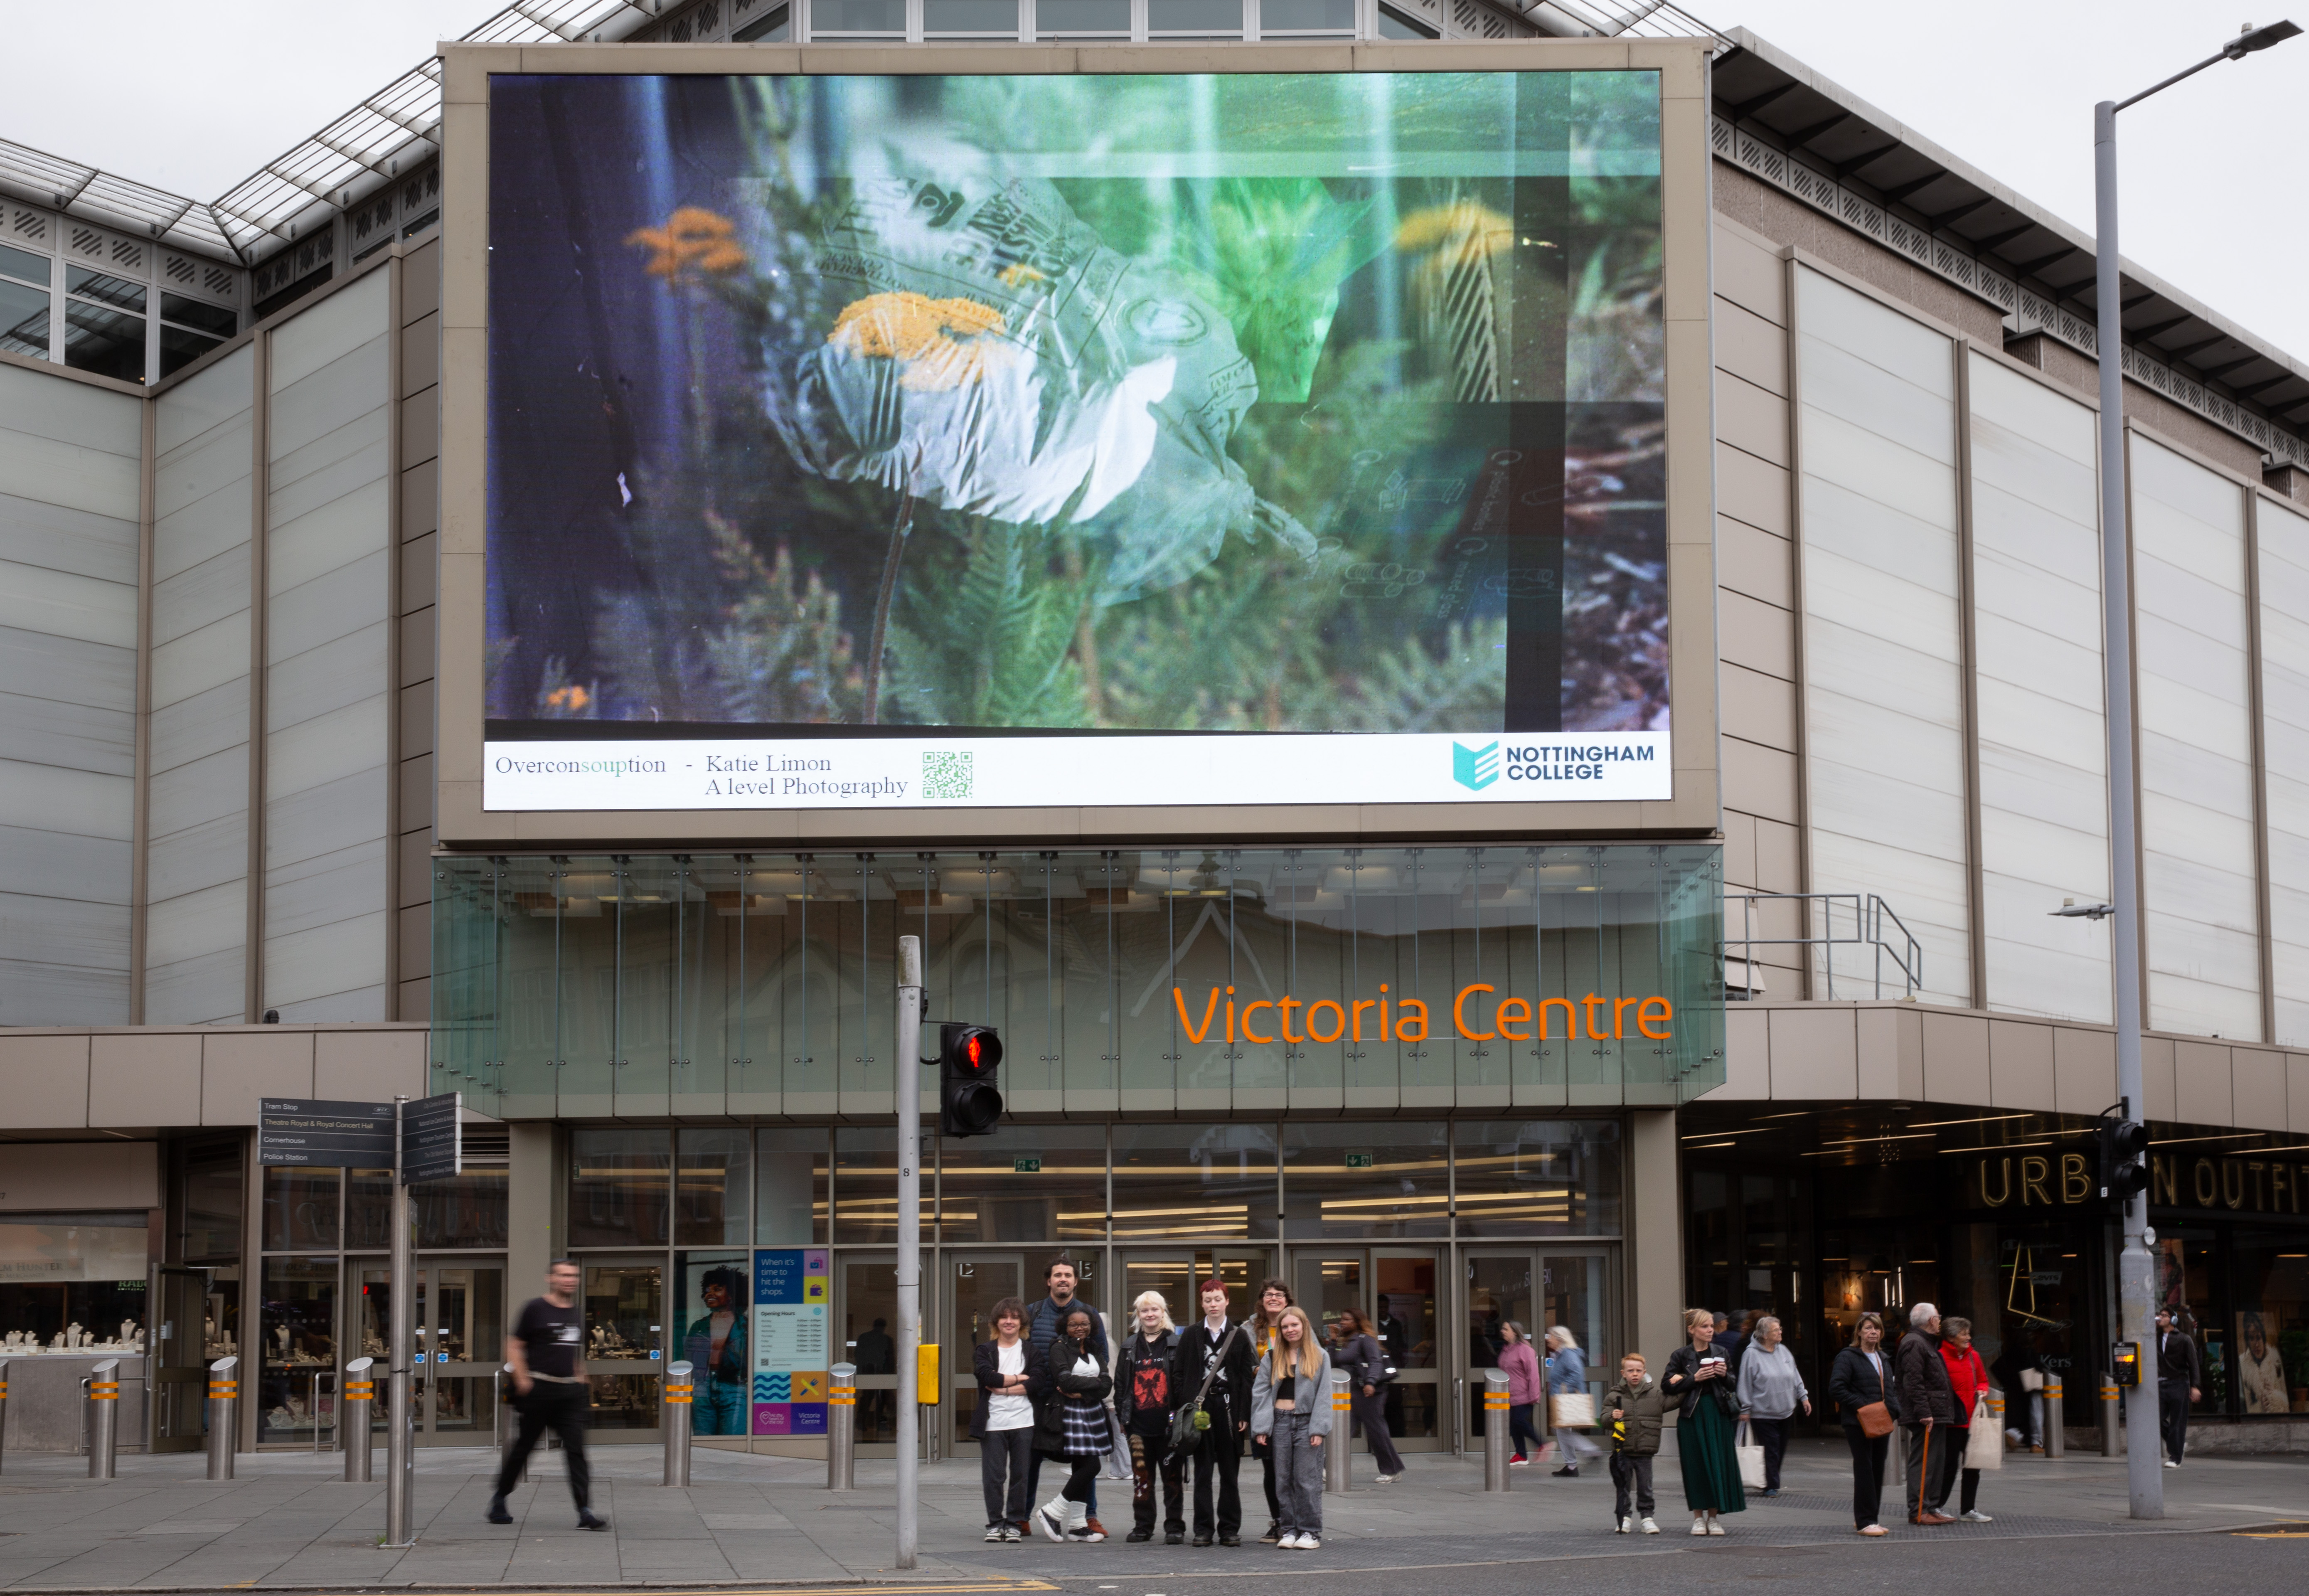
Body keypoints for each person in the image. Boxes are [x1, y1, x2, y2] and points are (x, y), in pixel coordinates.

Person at [488, 1259, 607, 1530]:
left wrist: (581, 1378)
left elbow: (571, 1352)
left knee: (576, 1451)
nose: (569, 1280)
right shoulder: (535, 1309)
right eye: (563, 1275)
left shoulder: (576, 1312)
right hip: (539, 1390)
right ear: (550, 1278)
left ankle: (585, 1511)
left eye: (574, 1275)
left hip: (569, 1394)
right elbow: (514, 1346)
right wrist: (522, 1380)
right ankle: (499, 1498)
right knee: (524, 1449)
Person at [1026, 1254, 1110, 1535]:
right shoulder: (1033, 1312)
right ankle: (1021, 1516)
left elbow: (1102, 1364)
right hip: (1040, 1400)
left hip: (1081, 1405)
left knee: (1086, 1459)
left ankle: (1088, 1517)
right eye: (1058, 1275)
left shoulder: (1089, 1313)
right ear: (1049, 1280)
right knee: (1032, 1459)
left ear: (1075, 1281)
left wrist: (1085, 1393)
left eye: (1068, 1275)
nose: (1063, 1279)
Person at [1172, 1277, 1254, 1547]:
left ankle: (1230, 1529)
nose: (1213, 1305)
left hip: (1229, 1409)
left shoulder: (1239, 1335)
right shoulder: (1192, 1335)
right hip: (1200, 1410)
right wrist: (1186, 1407)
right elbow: (1179, 1374)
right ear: (1202, 1303)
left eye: (1218, 1299)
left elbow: (1246, 1379)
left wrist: (1244, 1414)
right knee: (1203, 1472)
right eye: (1208, 1300)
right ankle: (1203, 1530)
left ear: (1227, 1301)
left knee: (1230, 1473)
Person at [1251, 1304, 1332, 1550]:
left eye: (1294, 1325)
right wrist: (1262, 1427)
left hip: (1307, 1422)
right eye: (1285, 1327)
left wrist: (1319, 1428)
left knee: (1307, 1479)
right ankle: (1288, 1529)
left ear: (1304, 1326)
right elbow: (1261, 1392)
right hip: (1281, 1420)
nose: (1290, 1330)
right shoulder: (1272, 1357)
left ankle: (1310, 1532)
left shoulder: (1320, 1356)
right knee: (1283, 1479)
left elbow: (1325, 1395)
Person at [1662, 1306, 1744, 1535]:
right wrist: (1694, 1379)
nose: (1710, 1331)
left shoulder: (1721, 1352)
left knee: (1718, 1463)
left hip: (1718, 1413)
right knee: (1695, 1465)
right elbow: (1666, 1385)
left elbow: (1733, 1384)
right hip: (1692, 1415)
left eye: (1711, 1326)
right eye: (1705, 1327)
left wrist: (1724, 1375)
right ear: (1692, 1330)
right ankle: (1698, 1518)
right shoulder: (1681, 1355)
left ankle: (1714, 1517)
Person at [1115, 1291, 1185, 1544]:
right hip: (1138, 1427)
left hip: (1169, 1427)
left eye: (1155, 1309)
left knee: (1173, 1480)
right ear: (1139, 1315)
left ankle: (1175, 1527)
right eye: (1145, 1311)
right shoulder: (1129, 1346)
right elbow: (1121, 1384)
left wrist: (1181, 1416)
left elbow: (1182, 1383)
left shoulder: (1175, 1343)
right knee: (1142, 1481)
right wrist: (1124, 1419)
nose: (1150, 1314)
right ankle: (1143, 1527)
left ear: (1163, 1312)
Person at [1828, 1311, 1900, 1537]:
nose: (1873, 1332)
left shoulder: (1883, 1358)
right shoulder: (1848, 1357)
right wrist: (1863, 1406)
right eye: (1868, 1328)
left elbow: (1890, 1388)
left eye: (1877, 1329)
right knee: (1865, 1469)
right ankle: (1865, 1521)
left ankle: (1872, 1517)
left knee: (1877, 1469)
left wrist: (1894, 1410)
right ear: (1858, 1332)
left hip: (1881, 1419)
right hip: (1858, 1422)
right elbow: (1837, 1389)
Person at [971, 1296, 1035, 1543]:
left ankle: (1014, 1524)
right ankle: (996, 1524)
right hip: (993, 1423)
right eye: (1005, 1317)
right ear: (997, 1322)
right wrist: (1022, 1378)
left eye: (1015, 1317)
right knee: (994, 1476)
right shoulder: (985, 1350)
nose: (1009, 1322)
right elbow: (987, 1377)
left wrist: (1006, 1385)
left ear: (1022, 1323)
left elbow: (1037, 1382)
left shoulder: (1031, 1351)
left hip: (1024, 1421)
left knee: (1021, 1476)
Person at [1733, 1313, 1809, 1497]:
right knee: (1771, 1449)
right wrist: (1745, 1409)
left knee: (1780, 1449)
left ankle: (1769, 1480)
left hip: (1785, 1410)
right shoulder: (1751, 1354)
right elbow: (1745, 1382)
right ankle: (1771, 1485)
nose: (1780, 1332)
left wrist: (1803, 1397)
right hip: (1763, 1413)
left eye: (1780, 1329)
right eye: (1776, 1330)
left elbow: (1795, 1375)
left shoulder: (1784, 1351)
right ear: (1765, 1335)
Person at [1893, 1303, 1956, 1525]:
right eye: (1938, 1318)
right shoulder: (1915, 1343)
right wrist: (1924, 1412)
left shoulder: (1925, 1343)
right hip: (1927, 1414)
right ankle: (1919, 1510)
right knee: (1924, 1462)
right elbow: (1913, 1382)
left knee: (1936, 1461)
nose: (1940, 1321)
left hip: (1936, 1412)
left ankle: (1930, 1506)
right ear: (1932, 1321)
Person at [1331, 1306, 1406, 1482]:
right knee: (1343, 1429)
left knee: (1376, 1430)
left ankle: (1392, 1470)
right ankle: (1330, 1468)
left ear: (1357, 1322)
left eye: (1347, 1319)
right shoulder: (1344, 1340)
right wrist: (1334, 1341)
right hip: (1350, 1391)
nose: (1342, 1322)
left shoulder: (1366, 1339)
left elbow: (1375, 1362)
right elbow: (1334, 1364)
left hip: (1368, 1392)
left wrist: (1371, 1382)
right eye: (1342, 1319)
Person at [1246, 1277, 1295, 1542]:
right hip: (1265, 1407)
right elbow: (1243, 1366)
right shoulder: (1248, 1330)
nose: (1273, 1298)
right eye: (1268, 1294)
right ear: (1262, 1300)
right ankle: (1278, 1521)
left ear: (1287, 1301)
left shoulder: (1299, 1326)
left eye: (1278, 1294)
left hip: (1295, 1406)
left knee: (1294, 1468)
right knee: (1271, 1468)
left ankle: (1296, 1520)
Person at [1933, 1315, 1994, 1522]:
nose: (1969, 1337)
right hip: (1951, 1422)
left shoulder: (1973, 1357)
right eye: (1964, 1333)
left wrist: (1982, 1391)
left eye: (1969, 1333)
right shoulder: (1939, 1357)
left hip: (1972, 1420)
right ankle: (1938, 1506)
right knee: (1949, 1466)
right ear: (1951, 1337)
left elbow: (1984, 1381)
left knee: (1973, 1466)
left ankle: (1969, 1509)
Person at [1603, 1352, 1664, 1535]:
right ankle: (1625, 1518)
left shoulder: (1655, 1394)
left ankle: (1647, 1517)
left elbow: (1674, 1400)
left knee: (1646, 1486)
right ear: (1623, 1373)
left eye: (1638, 1371)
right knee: (1623, 1486)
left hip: (1645, 1449)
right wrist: (1611, 1417)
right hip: (1624, 1450)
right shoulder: (1614, 1396)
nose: (1635, 1374)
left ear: (1645, 1372)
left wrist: (1681, 1383)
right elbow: (1604, 1419)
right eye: (1631, 1371)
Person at [683, 1266, 748, 1436]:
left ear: (732, 1295)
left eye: (717, 1290)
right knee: (704, 1443)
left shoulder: (745, 1327)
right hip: (702, 1388)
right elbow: (688, 1359)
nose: (709, 1294)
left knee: (734, 1442)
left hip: (735, 1387)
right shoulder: (698, 1327)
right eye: (707, 1291)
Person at [1543, 1325, 1602, 1477]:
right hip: (1560, 1398)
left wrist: (1564, 1389)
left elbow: (1577, 1374)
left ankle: (1588, 1453)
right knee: (1562, 1429)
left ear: (1560, 1339)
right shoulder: (1561, 1354)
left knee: (1562, 1429)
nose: (1548, 1339)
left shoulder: (1568, 1354)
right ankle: (1572, 1465)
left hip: (1565, 1398)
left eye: (1551, 1337)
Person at [2154, 1308, 2202, 1468]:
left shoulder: (2184, 1339)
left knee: (2178, 1422)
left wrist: (2195, 1386)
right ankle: (2178, 1445)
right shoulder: (2155, 1337)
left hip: (2179, 1383)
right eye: (2160, 1315)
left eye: (2164, 1315)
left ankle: (2176, 1458)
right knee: (2156, 1418)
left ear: (2173, 1320)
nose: (2160, 1317)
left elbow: (2193, 1364)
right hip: (2161, 1384)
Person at [1496, 1319, 1544, 1466]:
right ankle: (1521, 1455)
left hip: (1524, 1395)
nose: (1503, 1331)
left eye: (1506, 1329)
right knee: (1513, 1425)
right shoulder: (1506, 1349)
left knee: (1519, 1421)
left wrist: (1534, 1396)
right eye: (1503, 1329)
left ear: (1515, 1332)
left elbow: (1533, 1375)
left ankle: (1541, 1445)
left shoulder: (1525, 1350)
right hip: (1509, 1396)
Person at [2238, 1312, 2288, 1414]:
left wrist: (2274, 1398)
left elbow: (2284, 1394)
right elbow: (2243, 1400)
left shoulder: (2275, 1359)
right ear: (2248, 1342)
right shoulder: (2243, 1363)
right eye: (2252, 1339)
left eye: (2259, 1338)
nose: (2256, 1345)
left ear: (2264, 1338)